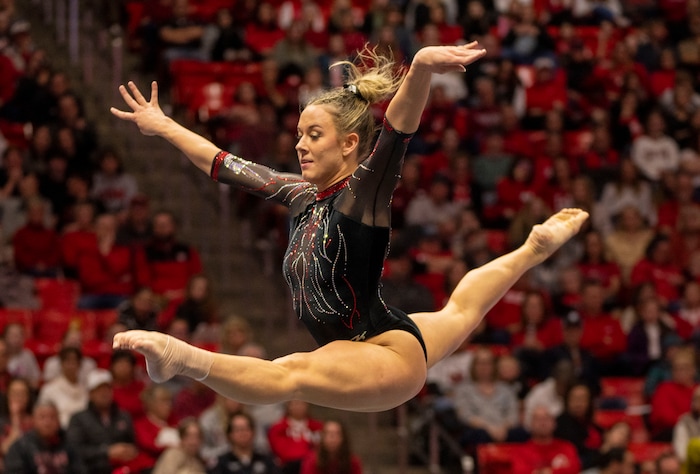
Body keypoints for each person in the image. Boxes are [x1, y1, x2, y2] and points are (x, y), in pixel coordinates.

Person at [111, 44, 589, 413]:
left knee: (289, 374)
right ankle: (532, 247)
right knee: (461, 311)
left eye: (313, 135)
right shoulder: (298, 194)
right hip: (373, 339)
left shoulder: (362, 194)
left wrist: (420, 67)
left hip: (383, 352)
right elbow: (223, 164)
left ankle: (182, 358)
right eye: (298, 134)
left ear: (349, 145)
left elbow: (397, 131)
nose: (300, 145)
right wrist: (163, 124)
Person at [66, 369, 149, 474]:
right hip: (93, 469)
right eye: (99, 389)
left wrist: (129, 450)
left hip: (125, 467)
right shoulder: (78, 419)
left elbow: (133, 443)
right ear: (90, 394)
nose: (104, 393)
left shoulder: (123, 416)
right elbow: (75, 451)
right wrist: (107, 452)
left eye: (107, 388)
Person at [4, 401, 87, 473]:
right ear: (33, 421)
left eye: (52, 417)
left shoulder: (70, 444)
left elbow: (80, 470)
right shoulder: (20, 448)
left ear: (59, 421)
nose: (47, 422)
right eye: (42, 417)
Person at [211, 412, 281, 474]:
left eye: (246, 428)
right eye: (238, 429)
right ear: (229, 435)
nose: (243, 433)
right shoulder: (221, 463)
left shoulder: (267, 460)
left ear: (253, 432)